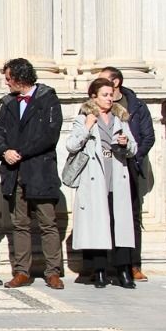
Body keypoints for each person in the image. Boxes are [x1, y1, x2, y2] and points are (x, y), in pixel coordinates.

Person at [0, 58, 64, 289]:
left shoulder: (47, 99)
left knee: (47, 222)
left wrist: (21, 152)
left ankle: (53, 271)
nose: (6, 83)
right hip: (15, 172)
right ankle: (22, 271)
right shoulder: (8, 103)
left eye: (8, 78)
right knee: (19, 224)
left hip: (39, 171)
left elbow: (50, 135)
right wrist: (5, 151)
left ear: (20, 78)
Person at [65, 77, 139, 288]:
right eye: (104, 95)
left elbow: (134, 147)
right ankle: (99, 271)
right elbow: (71, 145)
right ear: (94, 98)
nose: (109, 98)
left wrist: (125, 145)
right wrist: (87, 127)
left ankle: (124, 270)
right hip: (94, 176)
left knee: (120, 225)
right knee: (98, 224)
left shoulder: (120, 119)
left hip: (117, 173)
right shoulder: (83, 119)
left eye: (111, 94)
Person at [100, 66, 155, 282]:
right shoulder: (95, 105)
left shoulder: (136, 106)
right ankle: (102, 266)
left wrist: (132, 155)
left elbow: (147, 137)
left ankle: (133, 264)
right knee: (103, 215)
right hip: (104, 167)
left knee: (131, 217)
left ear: (116, 83)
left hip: (130, 167)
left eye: (104, 81)